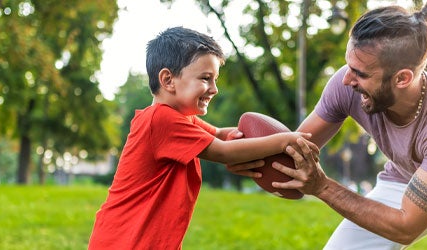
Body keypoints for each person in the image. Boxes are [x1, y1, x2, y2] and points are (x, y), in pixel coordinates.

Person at [231, 1, 427, 249]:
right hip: (403, 178)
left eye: (361, 73)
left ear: (402, 78)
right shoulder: (348, 84)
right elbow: (295, 150)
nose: (346, 79)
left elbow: (406, 226)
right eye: (348, 65)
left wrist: (323, 187)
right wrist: (240, 153)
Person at [87, 27, 309, 250]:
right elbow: (223, 151)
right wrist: (284, 140)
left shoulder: (181, 120)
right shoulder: (161, 119)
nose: (214, 89)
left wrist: (244, 135)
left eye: (215, 80)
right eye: (206, 78)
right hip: (125, 242)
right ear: (168, 80)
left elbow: (221, 135)